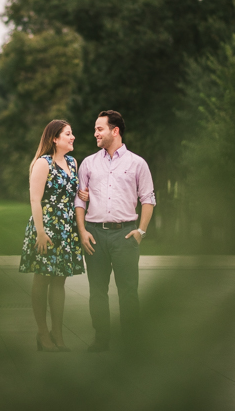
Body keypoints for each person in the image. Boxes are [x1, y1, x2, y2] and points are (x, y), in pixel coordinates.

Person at [75, 110, 155, 352]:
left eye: (100, 129)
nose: (95, 133)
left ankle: (131, 342)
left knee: (128, 291)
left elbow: (148, 198)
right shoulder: (88, 163)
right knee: (97, 291)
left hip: (125, 235)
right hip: (94, 235)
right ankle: (101, 339)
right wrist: (82, 231)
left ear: (115, 131)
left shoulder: (137, 163)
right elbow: (80, 201)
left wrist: (141, 231)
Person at [19, 120, 85, 352]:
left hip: (66, 228)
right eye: (68, 133)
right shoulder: (42, 163)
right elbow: (35, 199)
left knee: (59, 281)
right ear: (54, 139)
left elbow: (72, 193)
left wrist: (83, 194)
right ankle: (42, 333)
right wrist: (40, 232)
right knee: (42, 278)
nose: (73, 136)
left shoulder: (72, 162)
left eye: (71, 133)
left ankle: (58, 332)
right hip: (46, 228)